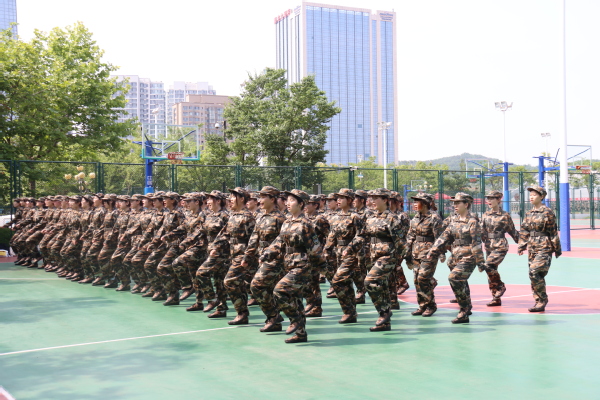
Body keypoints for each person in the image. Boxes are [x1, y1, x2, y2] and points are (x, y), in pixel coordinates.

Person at [261, 189, 321, 343]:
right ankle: (301, 334)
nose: (288, 203)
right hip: (289, 264)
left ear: (301, 204)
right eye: (287, 200)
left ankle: (295, 319)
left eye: (292, 200)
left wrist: (320, 269)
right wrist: (268, 253)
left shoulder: (306, 223)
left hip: (302, 265)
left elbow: (314, 248)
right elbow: (279, 242)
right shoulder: (287, 222)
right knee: (295, 299)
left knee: (279, 291)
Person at [349, 188, 406, 331]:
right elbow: (361, 236)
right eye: (371, 198)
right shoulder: (370, 218)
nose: (372, 201)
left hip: (388, 256)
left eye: (376, 198)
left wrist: (408, 259)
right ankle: (385, 322)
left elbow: (400, 241)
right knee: (383, 287)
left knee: (370, 281)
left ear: (385, 200)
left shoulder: (392, 219)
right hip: (374, 256)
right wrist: (350, 248)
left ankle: (384, 311)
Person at [428, 193, 485, 324]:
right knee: (461, 281)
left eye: (458, 203)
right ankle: (467, 305)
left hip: (469, 256)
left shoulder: (473, 222)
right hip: (455, 256)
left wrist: (480, 262)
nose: (455, 205)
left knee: (454, 277)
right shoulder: (454, 221)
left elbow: (476, 244)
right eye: (454, 203)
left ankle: (464, 310)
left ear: (466, 204)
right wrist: (434, 249)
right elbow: (444, 237)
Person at [212, 187, 256, 325]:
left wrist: (247, 257)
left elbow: (253, 239)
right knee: (240, 284)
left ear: (242, 199)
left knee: (230, 281)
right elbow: (225, 234)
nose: (230, 199)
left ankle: (243, 312)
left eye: (233, 196)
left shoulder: (248, 217)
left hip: (243, 256)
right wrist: (216, 247)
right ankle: (242, 314)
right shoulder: (234, 215)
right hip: (233, 254)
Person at [247, 186, 286, 332]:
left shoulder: (280, 219)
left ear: (273, 199)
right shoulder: (261, 216)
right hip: (262, 258)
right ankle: (274, 321)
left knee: (256, 285)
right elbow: (254, 238)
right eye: (260, 197)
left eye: (264, 197)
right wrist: (247, 256)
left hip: (276, 260)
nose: (260, 200)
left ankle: (274, 316)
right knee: (268, 290)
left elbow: (284, 241)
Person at [518, 185, 562, 312]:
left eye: (534, 195)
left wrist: (557, 248)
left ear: (542, 197)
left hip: (544, 246)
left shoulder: (547, 212)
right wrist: (522, 245)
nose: (531, 197)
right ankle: (538, 301)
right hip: (532, 246)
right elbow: (524, 230)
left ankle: (542, 299)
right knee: (533, 275)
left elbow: (553, 232)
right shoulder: (529, 213)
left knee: (535, 271)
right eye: (530, 195)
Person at [323, 189, 364, 323]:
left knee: (337, 280)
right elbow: (332, 235)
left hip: (352, 254)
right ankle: (350, 313)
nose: (338, 200)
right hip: (338, 253)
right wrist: (327, 249)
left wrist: (350, 247)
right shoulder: (336, 217)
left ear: (350, 200)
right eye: (338, 198)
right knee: (346, 283)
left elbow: (361, 236)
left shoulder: (355, 217)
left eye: (342, 198)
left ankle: (348, 310)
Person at [405, 192, 443, 317]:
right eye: (414, 201)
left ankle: (431, 305)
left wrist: (438, 253)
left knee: (423, 278)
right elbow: (410, 236)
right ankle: (422, 305)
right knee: (416, 280)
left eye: (418, 201)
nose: (415, 204)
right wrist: (407, 254)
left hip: (429, 253)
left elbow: (439, 238)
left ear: (425, 203)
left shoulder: (434, 218)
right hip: (416, 252)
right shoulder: (415, 218)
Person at [193, 190, 230, 315]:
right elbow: (201, 232)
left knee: (201, 273)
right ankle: (221, 308)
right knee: (218, 280)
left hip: (222, 252)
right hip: (211, 251)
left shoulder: (225, 216)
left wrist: (217, 247)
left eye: (210, 199)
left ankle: (212, 299)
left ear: (218, 201)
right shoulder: (210, 215)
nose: (208, 202)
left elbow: (227, 235)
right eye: (207, 199)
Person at [481, 190, 519, 306]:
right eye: (488, 198)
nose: (489, 201)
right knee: (491, 272)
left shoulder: (504, 215)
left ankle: (500, 286)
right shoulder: (485, 215)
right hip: (489, 246)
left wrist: (522, 244)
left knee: (488, 265)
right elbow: (481, 231)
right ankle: (496, 297)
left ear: (498, 200)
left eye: (492, 198)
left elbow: (513, 231)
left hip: (500, 245)